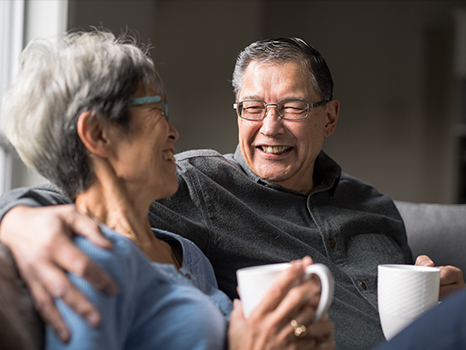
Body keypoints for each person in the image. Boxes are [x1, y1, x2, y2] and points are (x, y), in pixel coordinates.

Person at [0, 36, 463, 349]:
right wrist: (16, 220)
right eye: (253, 107)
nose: (270, 125)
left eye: (294, 107)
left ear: (330, 116)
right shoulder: (197, 184)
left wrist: (436, 296)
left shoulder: (376, 208)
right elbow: (81, 187)